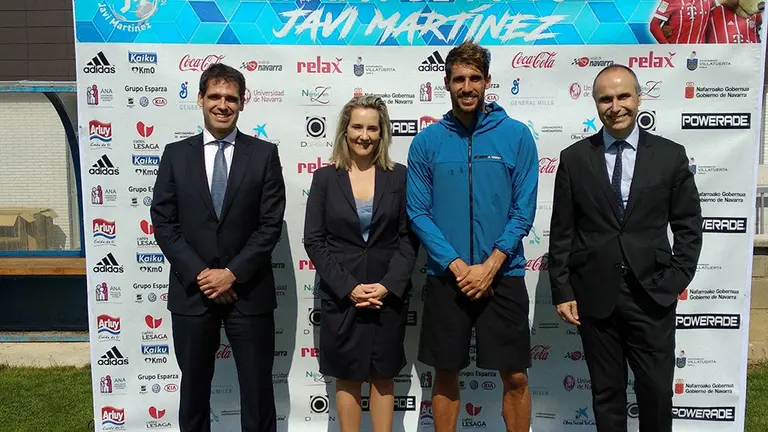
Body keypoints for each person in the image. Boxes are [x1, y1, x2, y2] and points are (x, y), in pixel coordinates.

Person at [548, 64, 703, 432]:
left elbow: (689, 227)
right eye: (605, 99)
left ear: (638, 98)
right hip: (595, 296)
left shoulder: (670, 156)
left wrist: (673, 280)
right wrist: (562, 289)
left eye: (623, 96)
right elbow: (562, 232)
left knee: (656, 394)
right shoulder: (573, 159)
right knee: (606, 394)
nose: (615, 106)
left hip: (652, 295)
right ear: (595, 104)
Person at [406, 40, 538, 432]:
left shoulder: (516, 136)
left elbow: (523, 210)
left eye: (475, 78)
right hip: (448, 278)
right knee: (445, 374)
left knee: (515, 376)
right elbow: (418, 212)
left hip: (504, 275)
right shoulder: (427, 142)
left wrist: (491, 264)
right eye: (459, 79)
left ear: (487, 82)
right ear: (446, 83)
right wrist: (460, 267)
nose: (467, 86)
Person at [151, 63, 286, 432]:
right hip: (192, 294)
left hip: (248, 291)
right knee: (194, 392)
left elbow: (269, 225)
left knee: (258, 393)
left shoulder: (264, 155)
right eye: (215, 96)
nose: (222, 105)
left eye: (231, 98)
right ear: (200, 99)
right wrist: (202, 274)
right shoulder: (175, 154)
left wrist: (231, 274)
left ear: (243, 103)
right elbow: (164, 221)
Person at [303, 95, 418, 432]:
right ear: (344, 130)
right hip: (342, 297)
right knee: (348, 376)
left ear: (382, 133)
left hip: (388, 295)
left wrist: (387, 286)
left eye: (372, 128)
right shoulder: (325, 178)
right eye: (357, 127)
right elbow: (314, 240)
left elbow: (409, 238)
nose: (364, 135)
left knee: (383, 375)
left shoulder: (400, 177)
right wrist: (349, 287)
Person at [649, 0, 737, 43]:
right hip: (677, 51)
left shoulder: (708, 1)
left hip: (699, 52)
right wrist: (667, 47)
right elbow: (654, 26)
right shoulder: (671, 1)